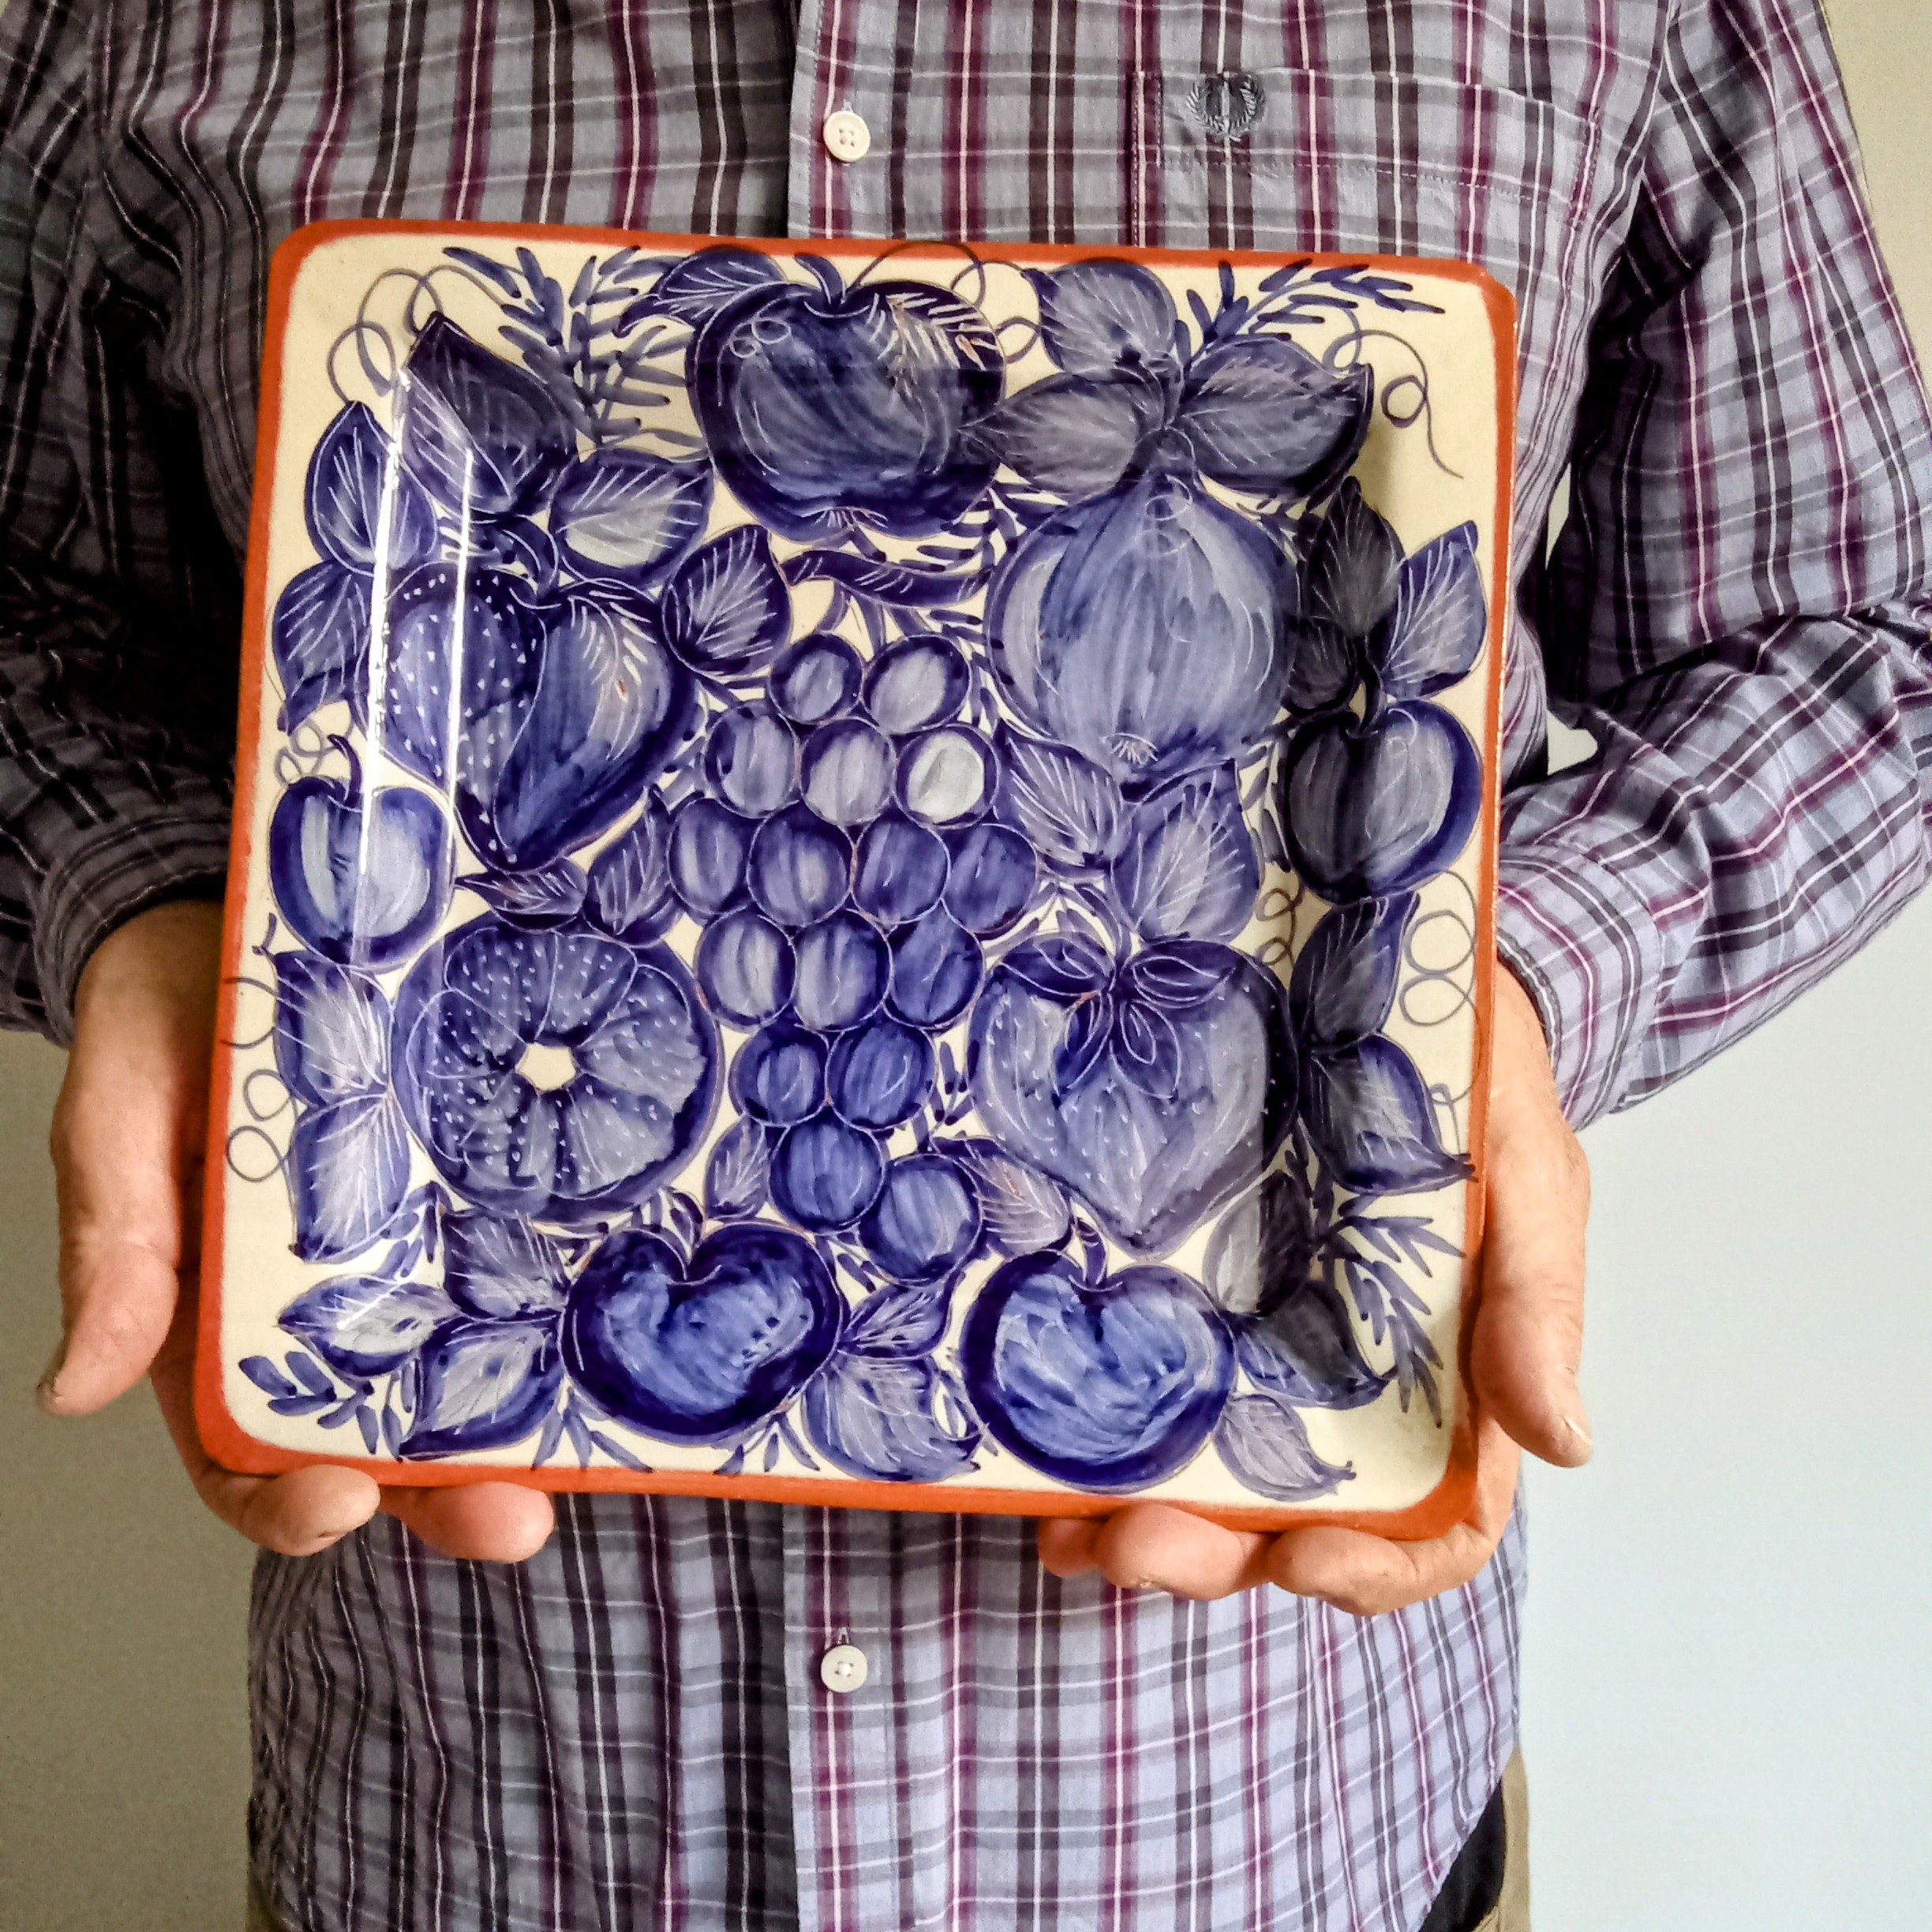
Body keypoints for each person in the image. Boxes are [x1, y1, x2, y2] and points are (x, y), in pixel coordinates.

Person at [5, 2, 1927, 1928]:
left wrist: (1472, 996)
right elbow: (34, 621)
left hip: (1290, 1833)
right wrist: (156, 916)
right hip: (473, 1822)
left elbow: (1856, 633)